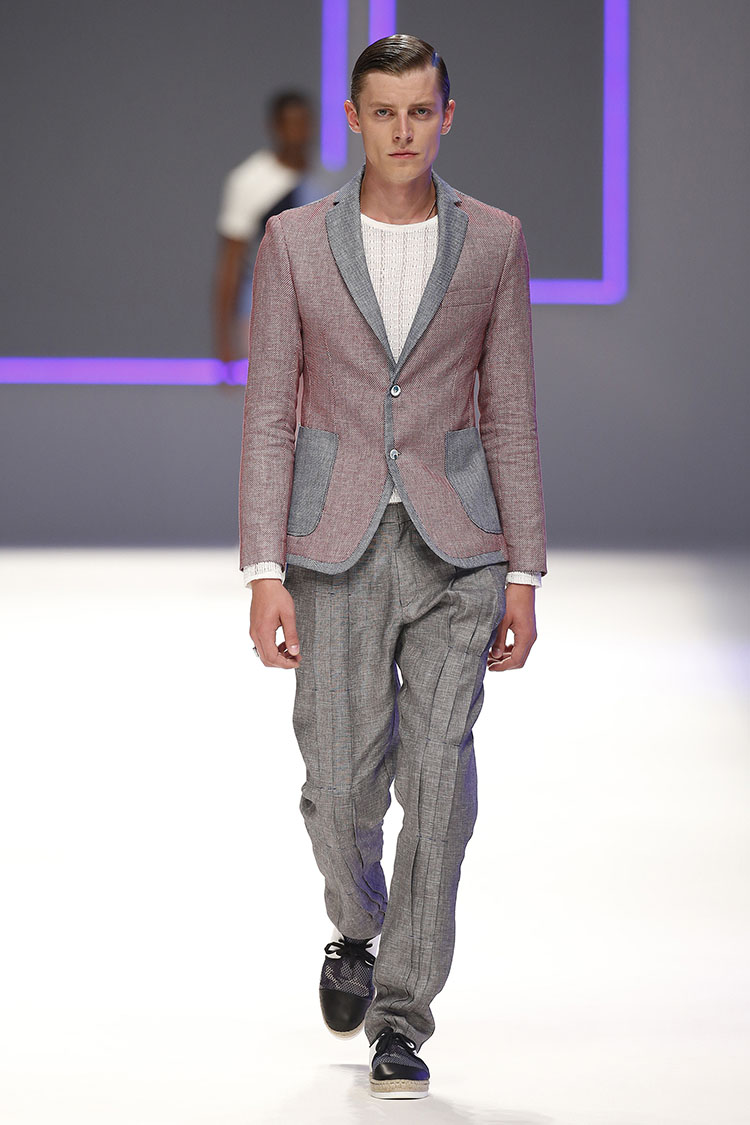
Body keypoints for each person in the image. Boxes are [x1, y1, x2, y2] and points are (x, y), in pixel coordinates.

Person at [238, 34, 547, 1100]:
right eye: (385, 113)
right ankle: (356, 925)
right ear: (355, 118)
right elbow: (269, 414)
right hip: (333, 547)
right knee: (336, 790)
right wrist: (264, 567)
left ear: (446, 116)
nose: (404, 132)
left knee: (440, 784)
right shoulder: (294, 242)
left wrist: (524, 572)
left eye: (421, 112)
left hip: (460, 549)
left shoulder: (495, 241)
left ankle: (402, 1015)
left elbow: (509, 413)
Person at [213, 90, 329, 365]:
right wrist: (224, 341)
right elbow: (231, 262)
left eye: (304, 124)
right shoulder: (249, 181)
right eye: (291, 124)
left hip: (320, 318)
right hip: (262, 311)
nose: (298, 133)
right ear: (275, 127)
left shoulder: (328, 181)